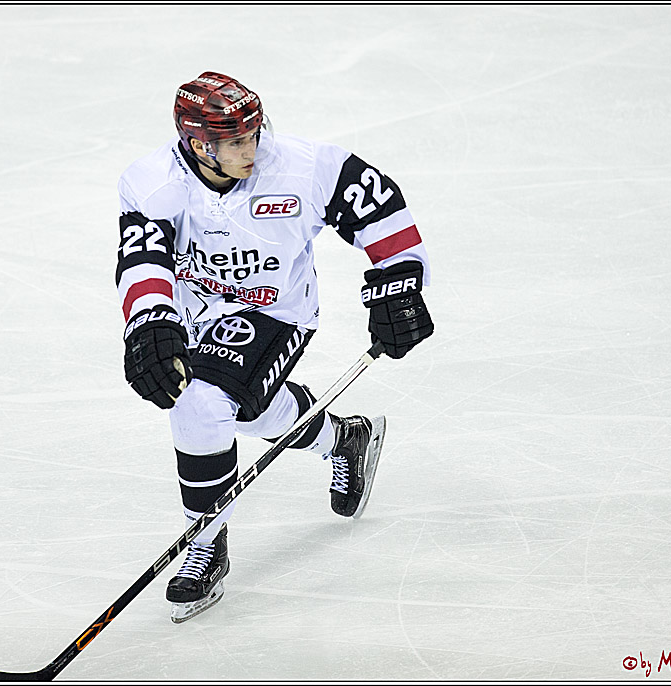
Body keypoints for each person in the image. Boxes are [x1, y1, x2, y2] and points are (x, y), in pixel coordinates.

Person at [115, 72, 433, 623]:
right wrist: (148, 322)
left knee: (202, 406)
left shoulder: (304, 168)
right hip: (195, 315)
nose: (252, 149)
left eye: (255, 133)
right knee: (245, 411)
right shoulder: (151, 182)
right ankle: (344, 438)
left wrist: (399, 281)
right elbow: (144, 257)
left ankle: (205, 540)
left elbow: (380, 206)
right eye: (236, 141)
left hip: (276, 312)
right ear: (197, 143)